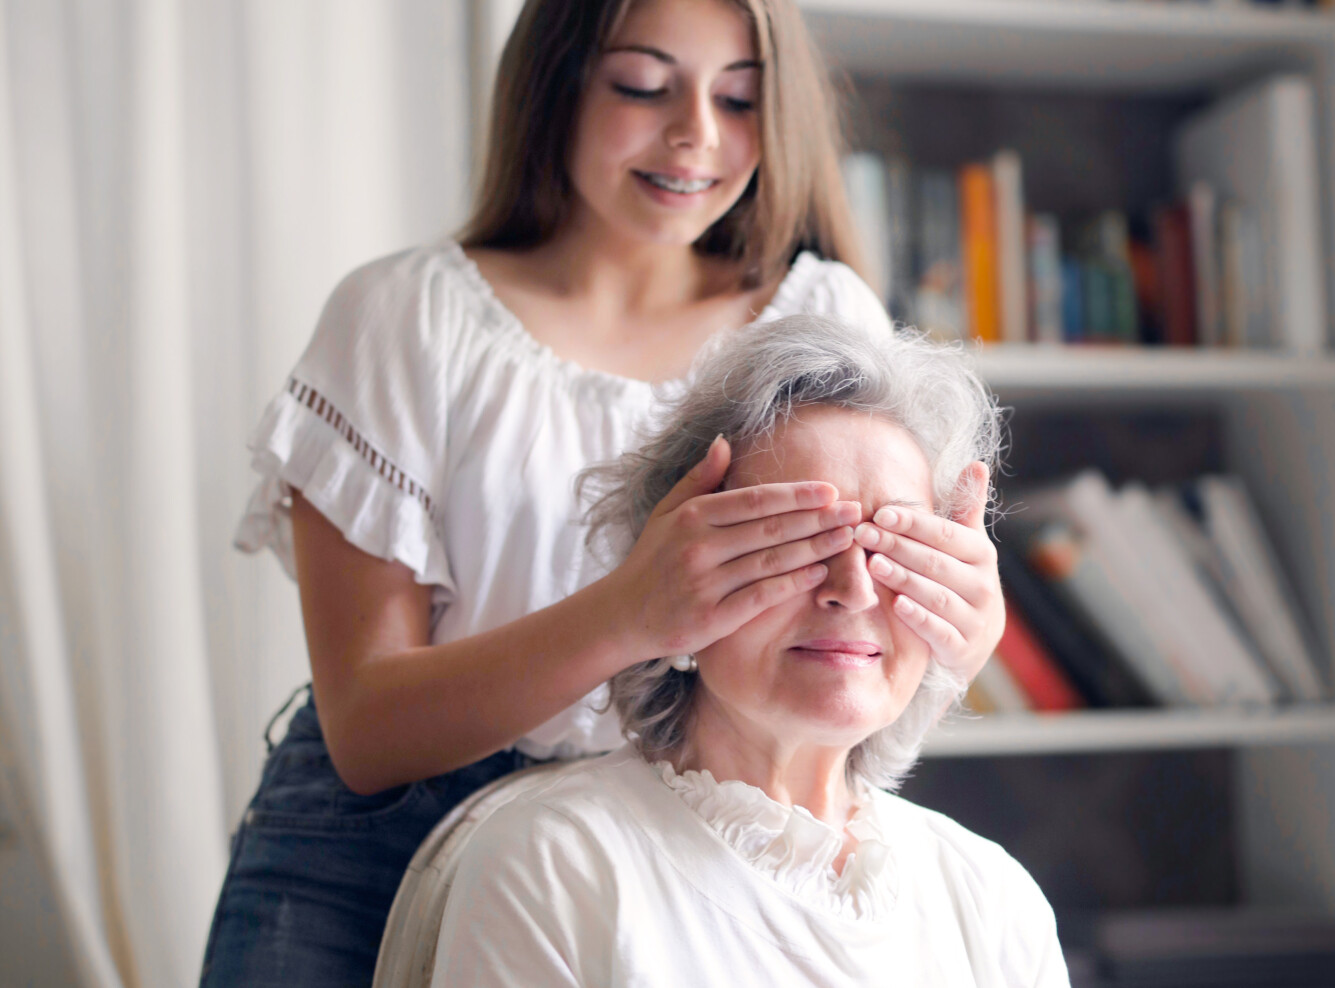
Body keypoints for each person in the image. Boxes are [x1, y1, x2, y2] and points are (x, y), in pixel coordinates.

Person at [200, 0, 1007, 984]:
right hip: (373, 842)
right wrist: (630, 613)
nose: (695, 136)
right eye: (641, 84)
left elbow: (849, 640)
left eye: (740, 98)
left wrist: (958, 617)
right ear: (557, 83)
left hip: (681, 826)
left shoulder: (823, 310)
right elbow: (367, 731)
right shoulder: (404, 318)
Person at [430, 315, 1066, 987]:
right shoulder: (555, 868)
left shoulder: (994, 901)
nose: (851, 591)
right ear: (675, 579)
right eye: (794, 542)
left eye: (893, 550)